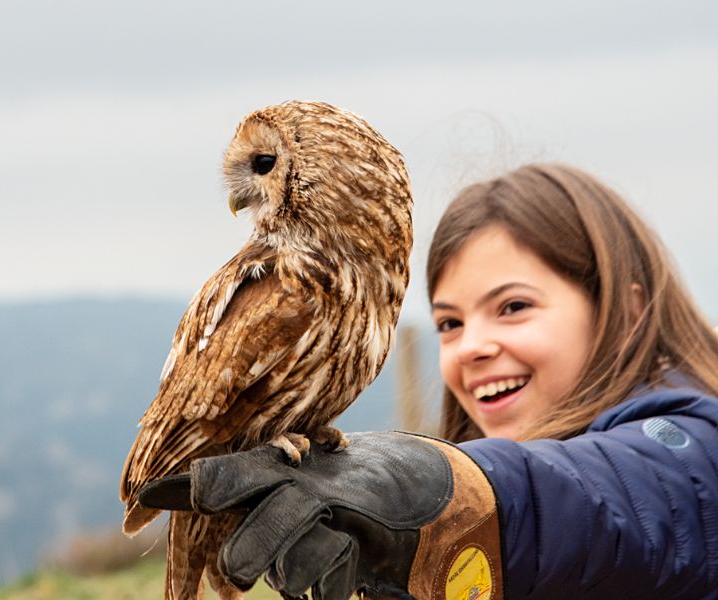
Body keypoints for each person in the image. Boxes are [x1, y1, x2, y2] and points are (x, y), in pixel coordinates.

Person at [140, 164, 718, 599]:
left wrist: (453, 500)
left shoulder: (694, 456)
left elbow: (621, 503)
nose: (473, 346)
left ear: (629, 311)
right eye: (449, 322)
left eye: (513, 307)